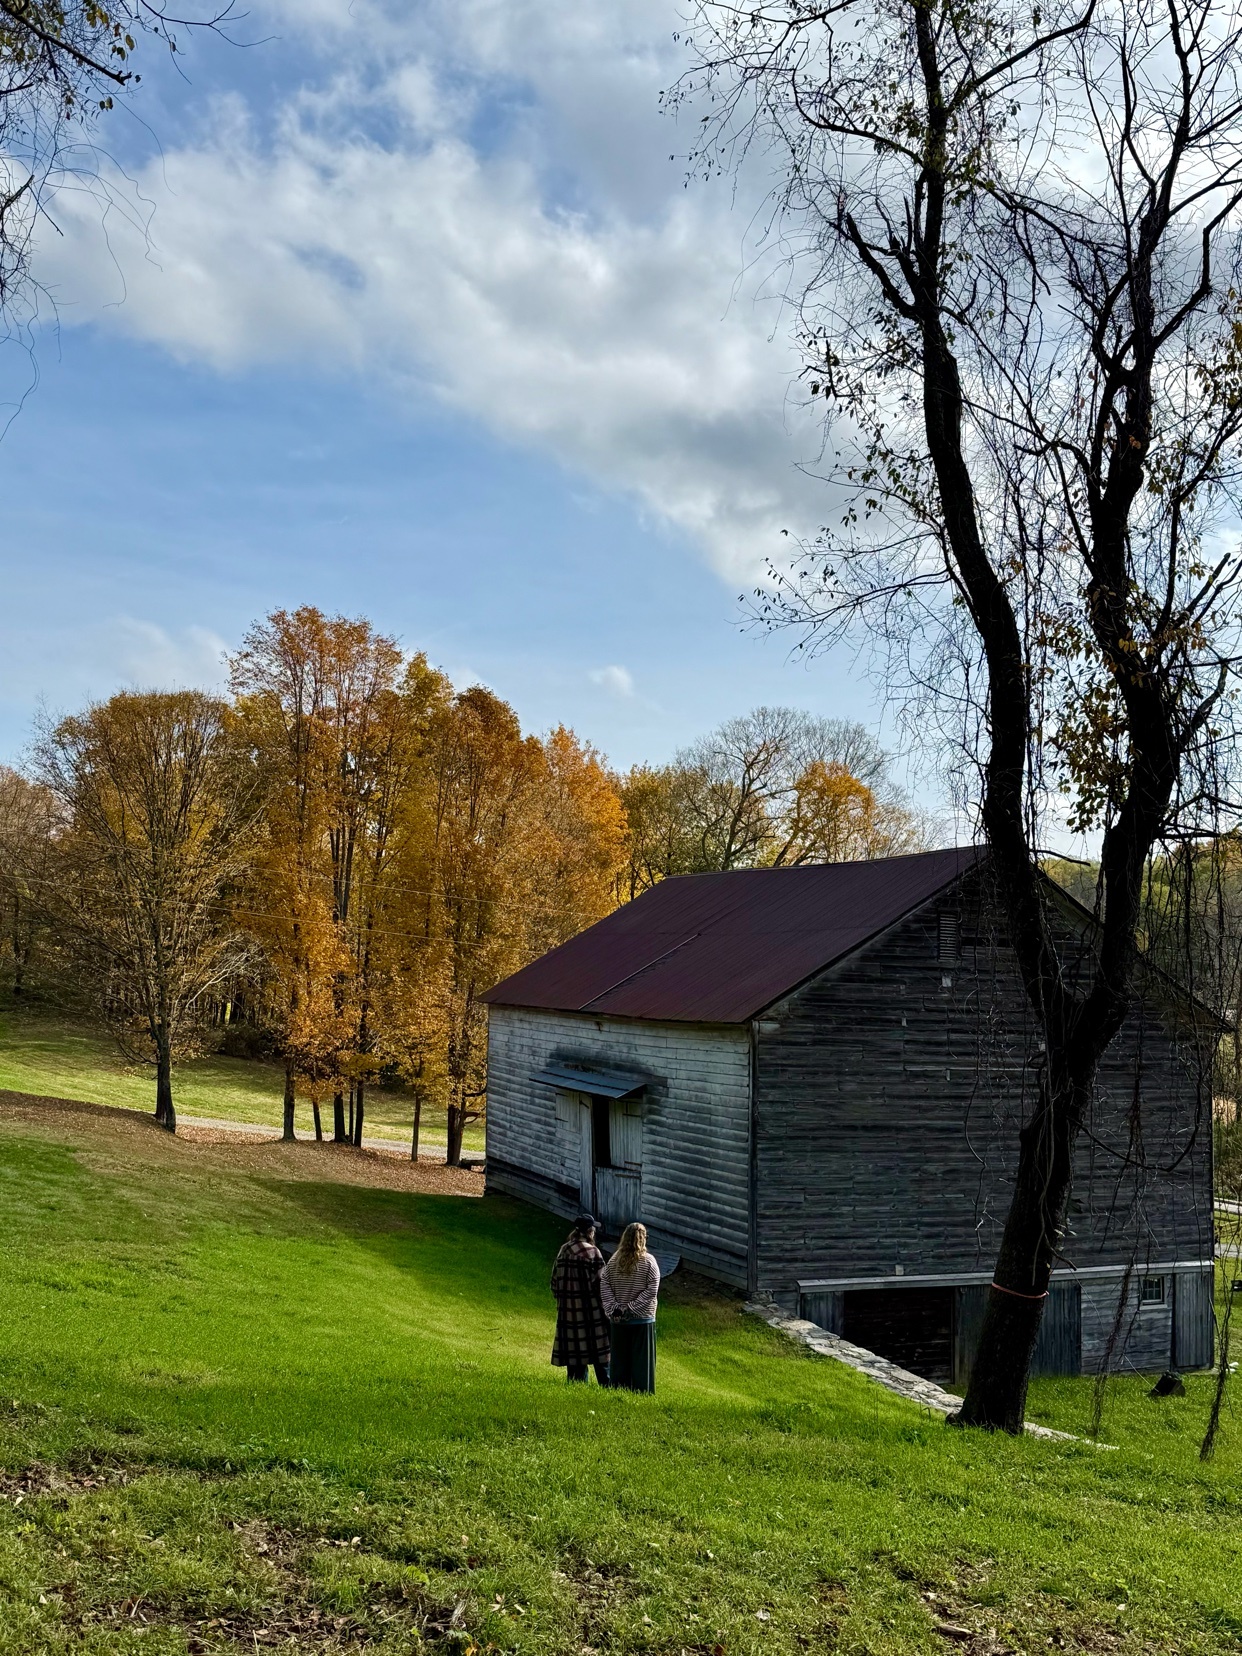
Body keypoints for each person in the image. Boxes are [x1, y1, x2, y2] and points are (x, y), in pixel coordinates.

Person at [550, 1214, 611, 1385]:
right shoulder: (592, 1252)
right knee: (601, 1354)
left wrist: (564, 1301)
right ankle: (607, 1386)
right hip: (591, 1311)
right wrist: (607, 1310)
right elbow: (602, 1285)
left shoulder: (564, 1250)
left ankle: (577, 1386)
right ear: (590, 1232)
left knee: (575, 1354)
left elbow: (554, 1282)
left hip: (568, 1313)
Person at [600, 1221, 660, 1394]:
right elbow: (652, 1289)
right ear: (643, 1239)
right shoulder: (649, 1262)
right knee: (643, 1362)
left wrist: (614, 1308)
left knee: (620, 1361)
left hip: (619, 1320)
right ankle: (642, 1392)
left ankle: (619, 1390)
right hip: (642, 1320)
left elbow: (605, 1284)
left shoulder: (614, 1261)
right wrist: (631, 1307)